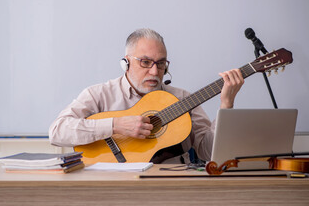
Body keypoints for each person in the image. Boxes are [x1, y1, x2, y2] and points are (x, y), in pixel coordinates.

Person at [49, 28, 244, 163]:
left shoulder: (183, 99)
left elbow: (209, 152)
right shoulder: (99, 94)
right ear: (126, 62)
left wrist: (226, 105)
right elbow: (57, 132)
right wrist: (115, 125)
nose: (154, 71)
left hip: (172, 186)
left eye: (161, 63)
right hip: (113, 185)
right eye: (145, 62)